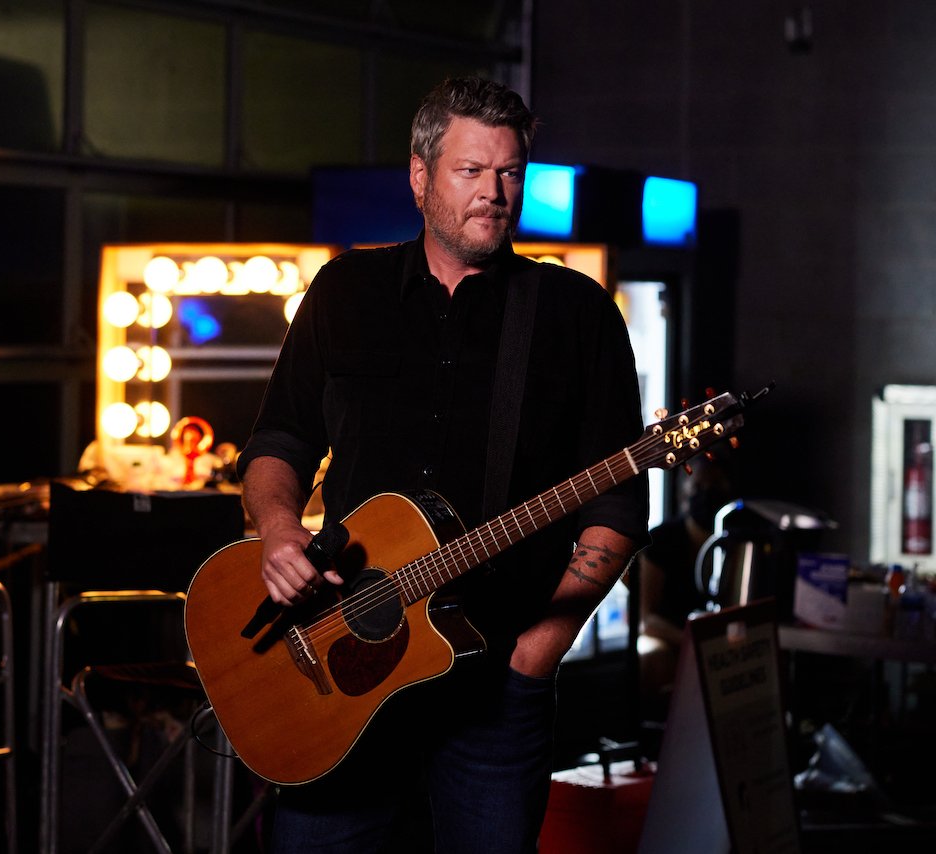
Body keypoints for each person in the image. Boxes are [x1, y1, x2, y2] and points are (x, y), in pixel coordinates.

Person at [235, 76, 649, 853]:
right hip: (341, 664)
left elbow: (620, 505)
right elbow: (279, 441)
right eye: (471, 171)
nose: (495, 193)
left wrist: (539, 650)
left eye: (511, 172)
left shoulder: (574, 313)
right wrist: (281, 532)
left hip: (494, 694)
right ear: (421, 177)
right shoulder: (343, 291)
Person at [635, 461, 733, 720]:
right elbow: (645, 619)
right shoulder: (661, 541)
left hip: (719, 636)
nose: (707, 493)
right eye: (699, 486)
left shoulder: (736, 540)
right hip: (673, 636)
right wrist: (689, 640)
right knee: (651, 658)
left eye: (715, 486)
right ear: (683, 494)